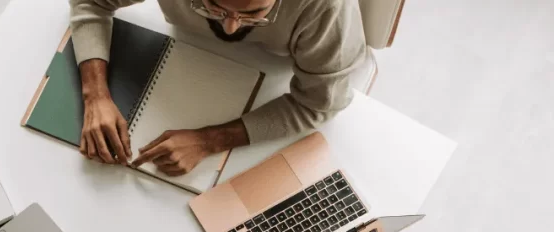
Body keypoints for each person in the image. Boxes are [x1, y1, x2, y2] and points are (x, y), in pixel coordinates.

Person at [70, 0, 368, 176]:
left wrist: (210, 141)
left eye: (255, 13)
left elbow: (319, 103)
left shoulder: (328, 8)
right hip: (187, 56)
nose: (230, 29)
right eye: (213, 6)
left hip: (269, 79)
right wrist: (95, 94)